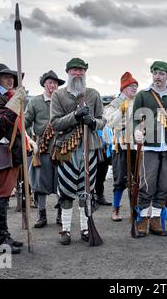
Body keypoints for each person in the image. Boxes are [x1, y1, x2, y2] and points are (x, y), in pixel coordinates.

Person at [50, 58, 105, 245]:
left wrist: (93, 122)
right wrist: (75, 116)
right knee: (66, 191)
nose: (78, 73)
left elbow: (102, 120)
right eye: (74, 70)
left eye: (81, 70)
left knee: (86, 191)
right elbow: (55, 123)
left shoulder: (93, 94)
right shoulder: (58, 95)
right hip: (67, 149)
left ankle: (84, 227)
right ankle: (65, 229)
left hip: (90, 148)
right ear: (67, 72)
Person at [0, 63, 34, 254]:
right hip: (0, 152)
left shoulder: (6, 96)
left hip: (9, 152)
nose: (11, 79)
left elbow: (16, 127)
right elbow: (3, 121)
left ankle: (3, 235)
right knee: (0, 194)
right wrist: (14, 103)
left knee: (3, 194)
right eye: (6, 77)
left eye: (12, 77)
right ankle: (0, 239)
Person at [133, 61, 167, 236]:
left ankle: (155, 219)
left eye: (162, 73)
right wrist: (136, 132)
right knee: (147, 184)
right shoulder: (143, 95)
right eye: (155, 73)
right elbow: (135, 119)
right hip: (149, 146)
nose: (158, 76)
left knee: (164, 184)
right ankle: (142, 220)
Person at [25, 70, 65, 228]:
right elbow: (25, 123)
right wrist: (30, 141)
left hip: (62, 147)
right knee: (40, 184)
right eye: (50, 82)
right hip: (42, 148)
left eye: (55, 83)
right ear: (44, 84)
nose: (52, 85)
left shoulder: (62, 101)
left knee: (61, 183)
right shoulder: (35, 102)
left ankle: (61, 214)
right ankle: (42, 216)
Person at [104, 72, 139, 221]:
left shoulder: (139, 102)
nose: (134, 88)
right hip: (120, 146)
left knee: (137, 179)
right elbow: (110, 122)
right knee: (119, 180)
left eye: (136, 86)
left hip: (137, 147)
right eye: (131, 86)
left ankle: (135, 210)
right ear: (124, 88)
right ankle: (115, 210)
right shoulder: (115, 103)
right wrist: (121, 110)